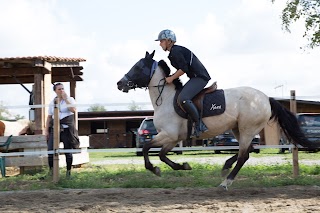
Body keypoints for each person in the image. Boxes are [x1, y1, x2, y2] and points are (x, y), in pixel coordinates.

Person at [155, 29, 211, 138]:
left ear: (169, 41)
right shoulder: (173, 53)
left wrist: (171, 78)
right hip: (194, 78)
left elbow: (183, 69)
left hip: (200, 77)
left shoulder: (176, 51)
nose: (160, 44)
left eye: (161, 41)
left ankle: (200, 125)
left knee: (183, 98)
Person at [45, 83, 80, 178]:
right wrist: (46, 130)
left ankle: (68, 172)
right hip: (54, 129)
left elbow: (73, 110)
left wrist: (66, 99)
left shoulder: (70, 99)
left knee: (67, 151)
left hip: (66, 129)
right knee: (50, 150)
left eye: (62, 89)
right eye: (59, 89)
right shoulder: (53, 102)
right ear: (55, 91)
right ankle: (51, 172)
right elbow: (49, 117)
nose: (62, 90)